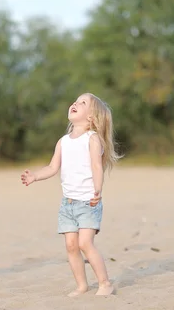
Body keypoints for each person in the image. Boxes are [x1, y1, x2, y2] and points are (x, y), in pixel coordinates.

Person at [20, 93, 121, 297]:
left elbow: (96, 166)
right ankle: (82, 285)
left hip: (88, 202)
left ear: (92, 117)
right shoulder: (63, 141)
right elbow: (52, 167)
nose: (75, 103)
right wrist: (35, 176)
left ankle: (105, 283)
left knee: (85, 243)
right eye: (75, 101)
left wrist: (98, 190)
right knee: (71, 245)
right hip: (68, 203)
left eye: (83, 103)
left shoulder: (92, 139)